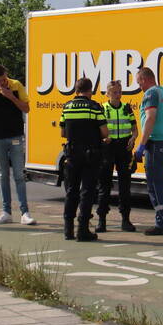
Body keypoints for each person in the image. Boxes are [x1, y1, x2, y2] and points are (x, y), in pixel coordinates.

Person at [0, 64, 36, 225]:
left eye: (4, 79)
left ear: (7, 75)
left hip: (16, 136)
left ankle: (25, 212)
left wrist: (11, 96)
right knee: (3, 175)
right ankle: (6, 211)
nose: (2, 83)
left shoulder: (16, 86)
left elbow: (27, 108)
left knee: (19, 175)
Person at [59, 77, 108, 241]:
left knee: (71, 190)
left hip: (72, 155)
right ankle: (83, 229)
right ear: (90, 91)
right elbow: (105, 132)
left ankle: (68, 229)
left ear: (76, 90)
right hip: (90, 155)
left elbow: (63, 133)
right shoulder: (94, 107)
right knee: (87, 191)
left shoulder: (67, 107)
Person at [134, 66, 163, 235]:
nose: (139, 87)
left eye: (139, 83)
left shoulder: (150, 94)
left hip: (155, 144)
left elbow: (150, 118)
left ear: (144, 79)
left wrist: (142, 145)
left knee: (154, 185)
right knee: (161, 184)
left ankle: (162, 224)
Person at [96, 79, 137, 232]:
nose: (118, 95)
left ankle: (126, 219)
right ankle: (102, 220)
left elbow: (135, 129)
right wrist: (102, 138)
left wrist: (133, 138)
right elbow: (97, 130)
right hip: (108, 148)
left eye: (119, 92)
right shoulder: (102, 108)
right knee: (104, 185)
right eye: (114, 92)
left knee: (125, 185)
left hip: (124, 148)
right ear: (107, 94)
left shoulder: (127, 108)